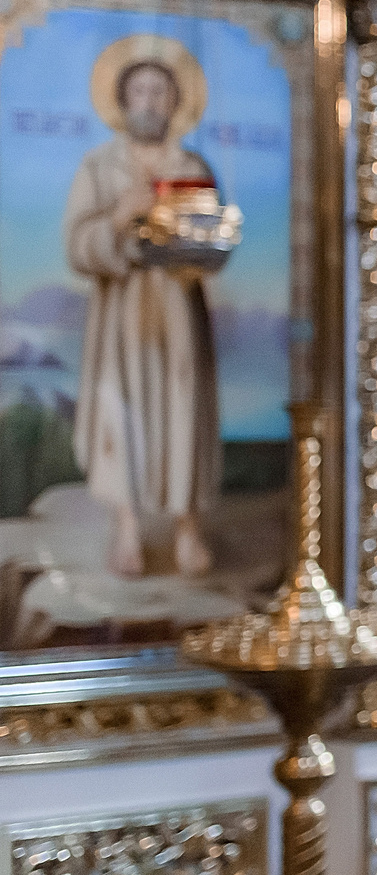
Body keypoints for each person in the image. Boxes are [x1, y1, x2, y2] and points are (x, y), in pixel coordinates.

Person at [64, 48, 222, 579]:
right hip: (121, 316)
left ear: (175, 102)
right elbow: (77, 245)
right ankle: (127, 526)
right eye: (140, 92)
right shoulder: (99, 167)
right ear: (122, 100)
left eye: (160, 92)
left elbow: (210, 245)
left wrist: (184, 231)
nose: (149, 102)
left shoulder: (191, 167)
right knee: (120, 413)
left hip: (177, 313)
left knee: (182, 413)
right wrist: (117, 218)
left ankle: (187, 530)